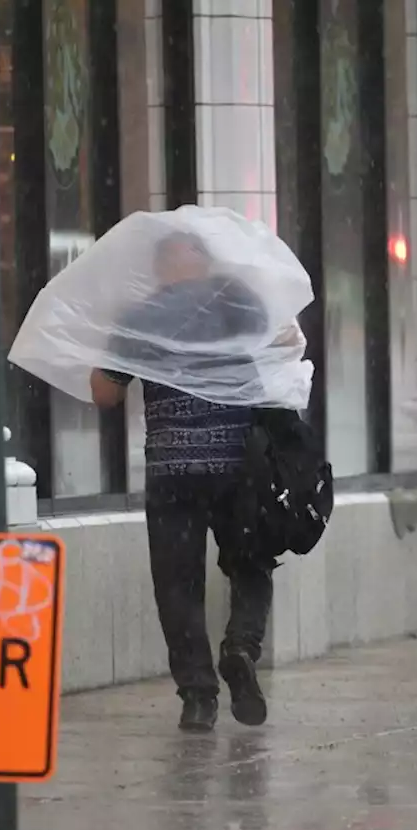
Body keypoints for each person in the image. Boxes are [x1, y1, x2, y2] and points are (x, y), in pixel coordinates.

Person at [89, 231, 279, 732]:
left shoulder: (142, 317)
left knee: (177, 584)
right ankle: (240, 646)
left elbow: (104, 394)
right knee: (252, 564)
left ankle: (198, 697)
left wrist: (122, 347)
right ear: (205, 262)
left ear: (160, 269)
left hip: (172, 470)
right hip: (238, 463)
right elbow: (282, 343)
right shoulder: (237, 300)